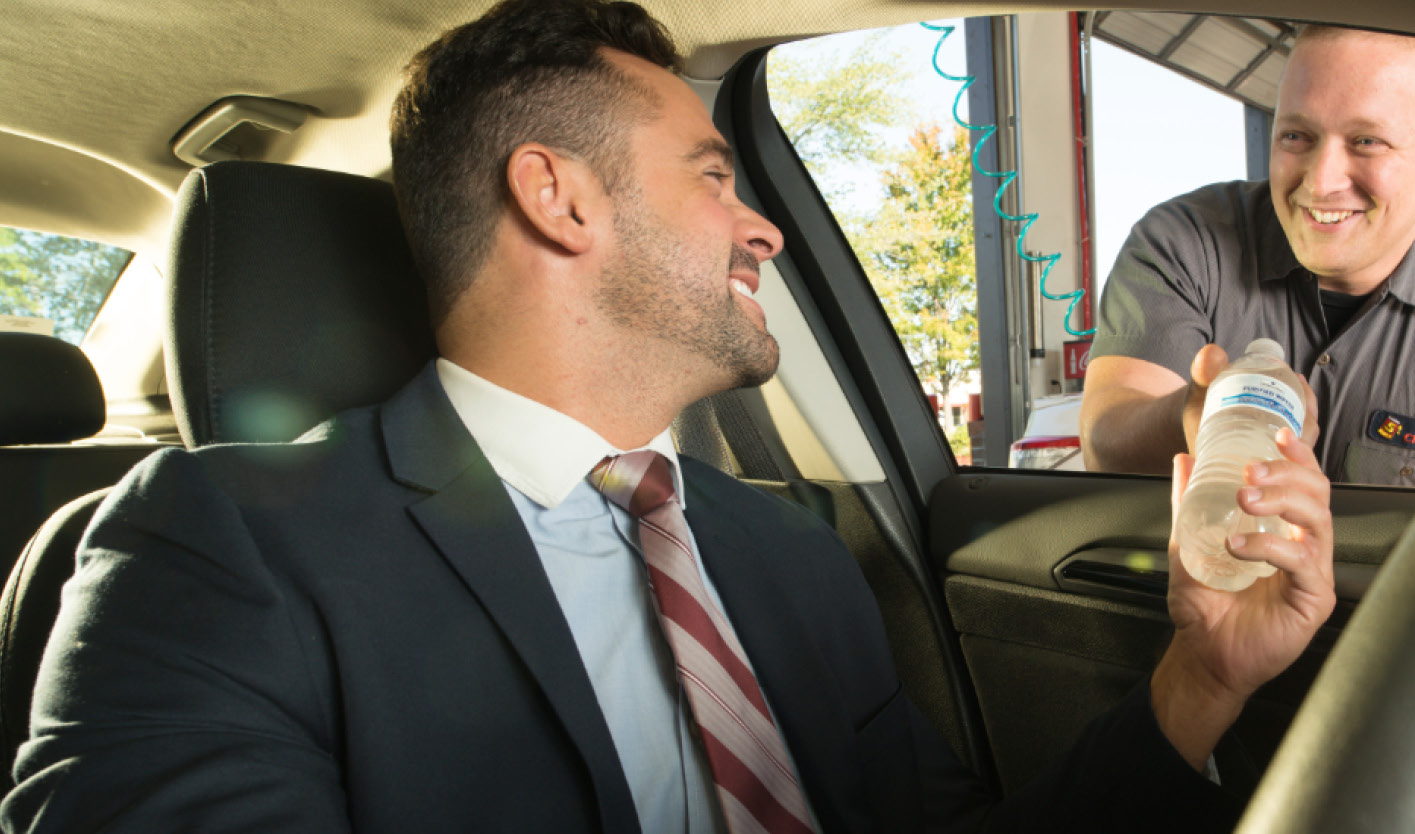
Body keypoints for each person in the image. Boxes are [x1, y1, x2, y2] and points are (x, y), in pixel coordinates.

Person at [2, 2, 1334, 831]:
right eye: (711, 170)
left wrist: (1199, 677)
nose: (760, 221)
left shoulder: (791, 561)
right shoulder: (215, 549)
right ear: (558, 197)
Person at [1081, 25, 1415, 488]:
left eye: (1367, 142)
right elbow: (1105, 442)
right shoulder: (1185, 243)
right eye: (1296, 136)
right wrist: (1202, 415)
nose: (1320, 181)